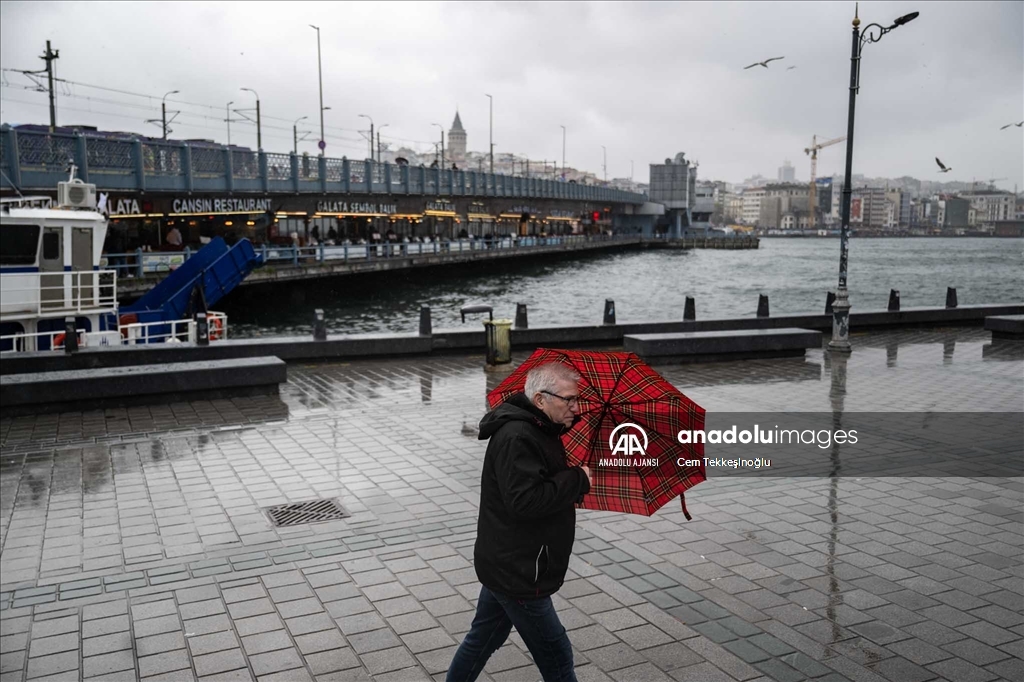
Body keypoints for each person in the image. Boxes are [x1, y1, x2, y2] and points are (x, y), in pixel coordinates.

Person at [446, 362, 591, 682]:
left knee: (483, 639)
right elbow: (526, 502)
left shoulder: (539, 428)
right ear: (540, 399)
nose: (575, 407)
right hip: (521, 570)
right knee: (556, 653)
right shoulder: (518, 436)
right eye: (569, 400)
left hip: (508, 561)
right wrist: (577, 479)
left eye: (576, 399)